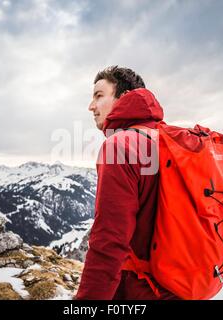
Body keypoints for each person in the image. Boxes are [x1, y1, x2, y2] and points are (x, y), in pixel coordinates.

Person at [74, 66, 178, 300]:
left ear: (124, 97)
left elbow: (109, 243)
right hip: (179, 287)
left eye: (99, 96)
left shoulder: (119, 146)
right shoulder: (166, 138)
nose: (91, 106)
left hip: (142, 291)